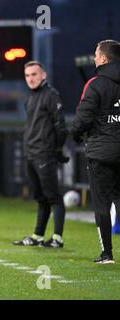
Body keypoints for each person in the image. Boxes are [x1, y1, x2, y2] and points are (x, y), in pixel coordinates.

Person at [71, 40, 120, 264]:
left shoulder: (95, 83)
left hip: (101, 152)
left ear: (104, 58)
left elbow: (82, 118)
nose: (93, 59)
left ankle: (107, 254)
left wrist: (75, 134)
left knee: (101, 202)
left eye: (96, 55)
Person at [14, 61, 69, 248]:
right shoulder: (29, 99)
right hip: (30, 153)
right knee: (41, 196)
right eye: (27, 75)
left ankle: (57, 238)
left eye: (34, 74)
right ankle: (38, 236)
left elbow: (61, 128)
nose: (31, 78)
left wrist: (57, 150)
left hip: (44, 154)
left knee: (53, 196)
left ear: (43, 75)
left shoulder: (51, 96)